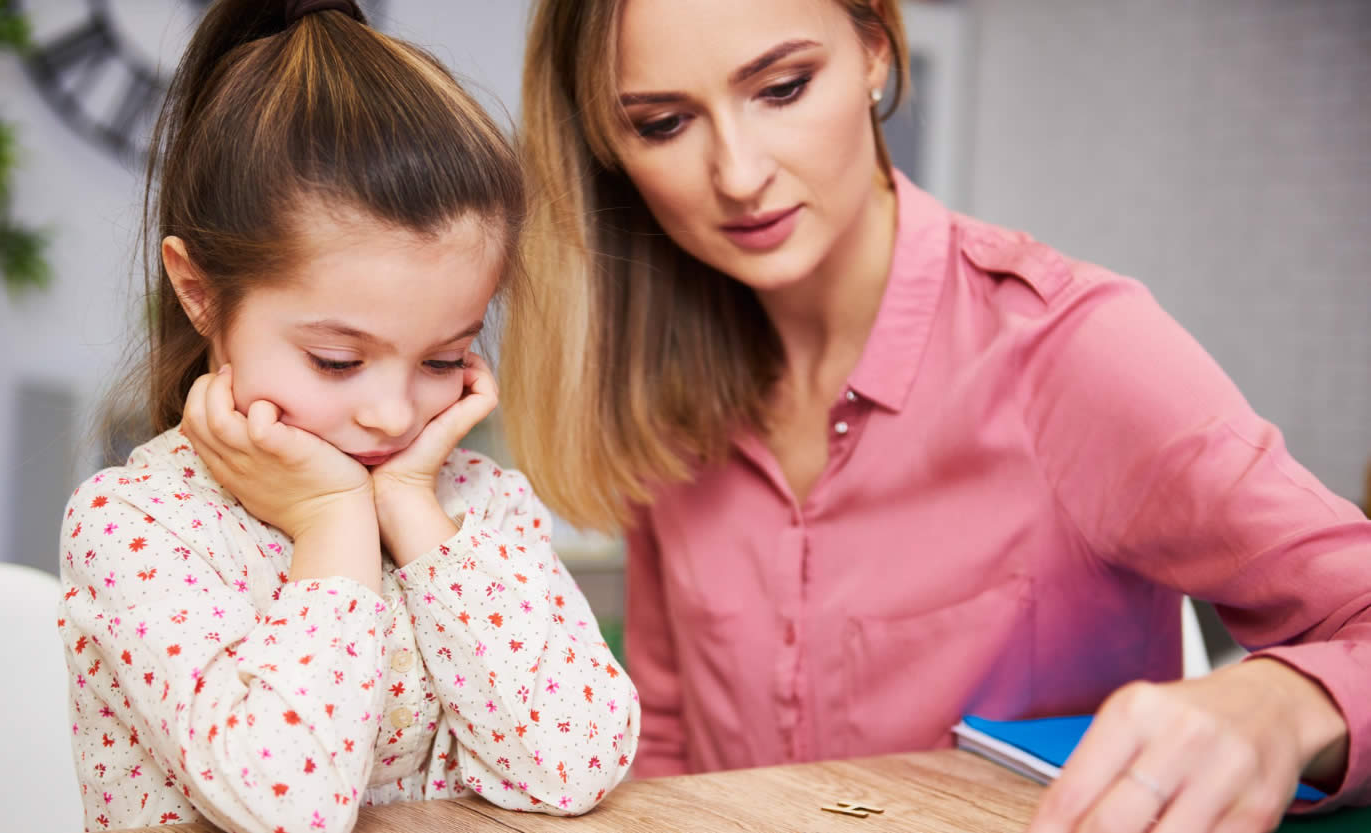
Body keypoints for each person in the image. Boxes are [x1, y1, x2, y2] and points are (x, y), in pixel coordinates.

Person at [504, 0, 1371, 830]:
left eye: (783, 87)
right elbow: (666, 743)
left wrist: (1285, 702)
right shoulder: (656, 395)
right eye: (663, 123)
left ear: (876, 49)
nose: (738, 173)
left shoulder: (1072, 350)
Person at [56, 2, 638, 831]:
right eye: (337, 360)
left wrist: (412, 511)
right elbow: (284, 807)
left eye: (443, 358)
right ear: (200, 292)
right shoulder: (140, 530)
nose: (392, 412)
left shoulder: (476, 509)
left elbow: (574, 767)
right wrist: (333, 521)